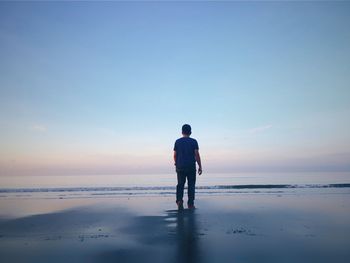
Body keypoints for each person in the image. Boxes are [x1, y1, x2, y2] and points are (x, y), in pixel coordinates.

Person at [173, 124, 202, 210]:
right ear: (190, 132)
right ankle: (190, 203)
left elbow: (175, 155)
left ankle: (179, 201)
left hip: (180, 166)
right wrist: (200, 166)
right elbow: (196, 154)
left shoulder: (177, 141)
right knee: (191, 185)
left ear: (182, 132)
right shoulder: (194, 141)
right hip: (191, 166)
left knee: (180, 185)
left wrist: (176, 163)